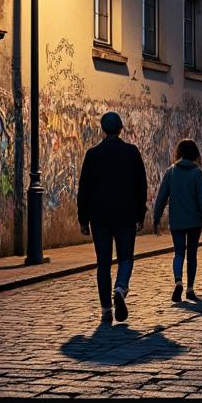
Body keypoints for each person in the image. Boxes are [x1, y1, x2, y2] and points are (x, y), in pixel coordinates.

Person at [76, 111, 147, 323]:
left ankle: (106, 310)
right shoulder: (131, 152)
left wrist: (83, 219)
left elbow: (84, 190)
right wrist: (140, 213)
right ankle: (121, 288)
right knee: (126, 258)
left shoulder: (93, 154)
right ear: (121, 129)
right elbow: (141, 185)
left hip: (100, 218)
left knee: (103, 264)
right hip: (126, 215)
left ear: (103, 130)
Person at [152, 139, 202, 302]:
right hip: (194, 222)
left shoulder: (171, 172)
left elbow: (161, 197)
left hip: (177, 221)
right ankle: (190, 288)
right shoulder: (197, 173)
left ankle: (178, 280)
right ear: (195, 154)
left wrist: (156, 218)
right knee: (192, 255)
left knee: (179, 253)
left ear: (178, 153)